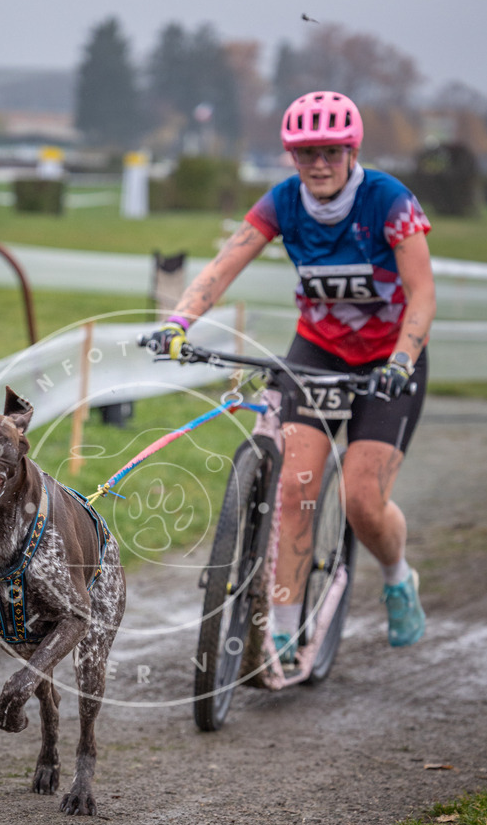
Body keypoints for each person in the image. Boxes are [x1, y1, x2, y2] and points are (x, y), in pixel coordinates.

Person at [141, 90, 435, 658]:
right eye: (305, 154)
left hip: (390, 360)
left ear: (352, 152)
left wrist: (402, 359)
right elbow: (224, 266)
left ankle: (398, 577)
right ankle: (281, 630)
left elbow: (422, 292)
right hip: (318, 351)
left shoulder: (388, 201)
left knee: (362, 501)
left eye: (330, 151)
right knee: (296, 491)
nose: (318, 164)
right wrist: (178, 323)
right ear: (290, 157)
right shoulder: (283, 202)